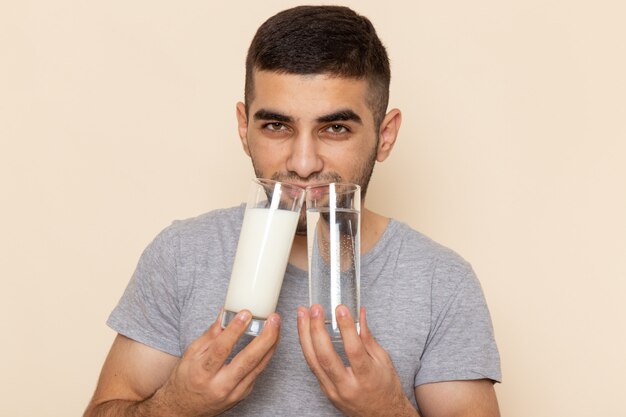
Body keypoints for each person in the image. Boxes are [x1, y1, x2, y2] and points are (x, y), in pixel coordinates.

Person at [84, 5, 501, 417]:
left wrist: (386, 410)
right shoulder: (181, 256)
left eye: (335, 128)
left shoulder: (441, 283)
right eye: (276, 126)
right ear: (244, 128)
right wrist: (176, 406)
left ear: (385, 135)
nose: (303, 163)